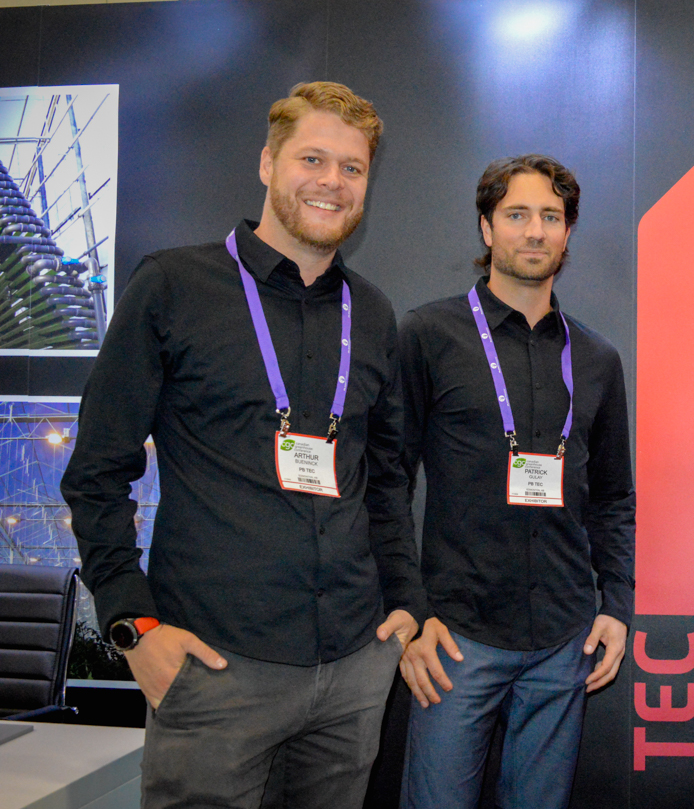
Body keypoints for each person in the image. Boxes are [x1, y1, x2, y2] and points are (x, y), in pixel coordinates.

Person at [61, 81, 427, 809]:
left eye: (351, 168)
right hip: (215, 668)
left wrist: (406, 601)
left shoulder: (373, 313)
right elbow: (97, 472)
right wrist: (133, 626)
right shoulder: (173, 286)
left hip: (353, 669)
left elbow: (384, 479)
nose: (331, 181)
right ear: (267, 163)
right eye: (312, 159)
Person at [397, 154, 635, 809]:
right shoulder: (428, 335)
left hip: (563, 638)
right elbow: (386, 481)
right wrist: (410, 610)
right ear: (486, 226)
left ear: (568, 232)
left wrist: (616, 605)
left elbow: (613, 498)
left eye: (551, 217)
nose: (534, 231)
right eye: (517, 215)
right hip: (455, 637)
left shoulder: (597, 358)